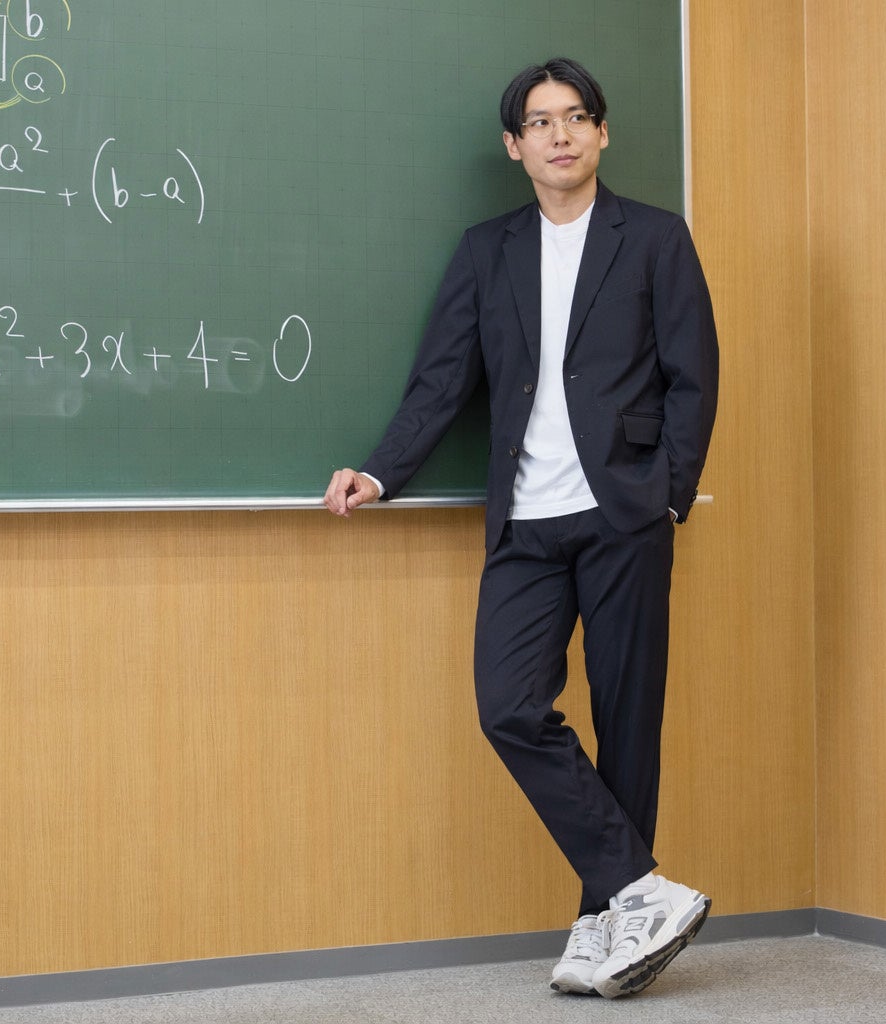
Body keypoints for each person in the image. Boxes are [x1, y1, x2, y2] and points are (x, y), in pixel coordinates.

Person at [323, 57, 719, 998]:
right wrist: (380, 470)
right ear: (515, 146)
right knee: (508, 707)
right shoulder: (487, 250)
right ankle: (640, 892)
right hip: (525, 524)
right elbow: (441, 381)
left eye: (576, 117)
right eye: (540, 122)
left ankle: (602, 923)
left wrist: (668, 495)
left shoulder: (655, 238)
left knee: (628, 725)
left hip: (624, 515)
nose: (560, 134)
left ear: (602, 133)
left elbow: (694, 376)